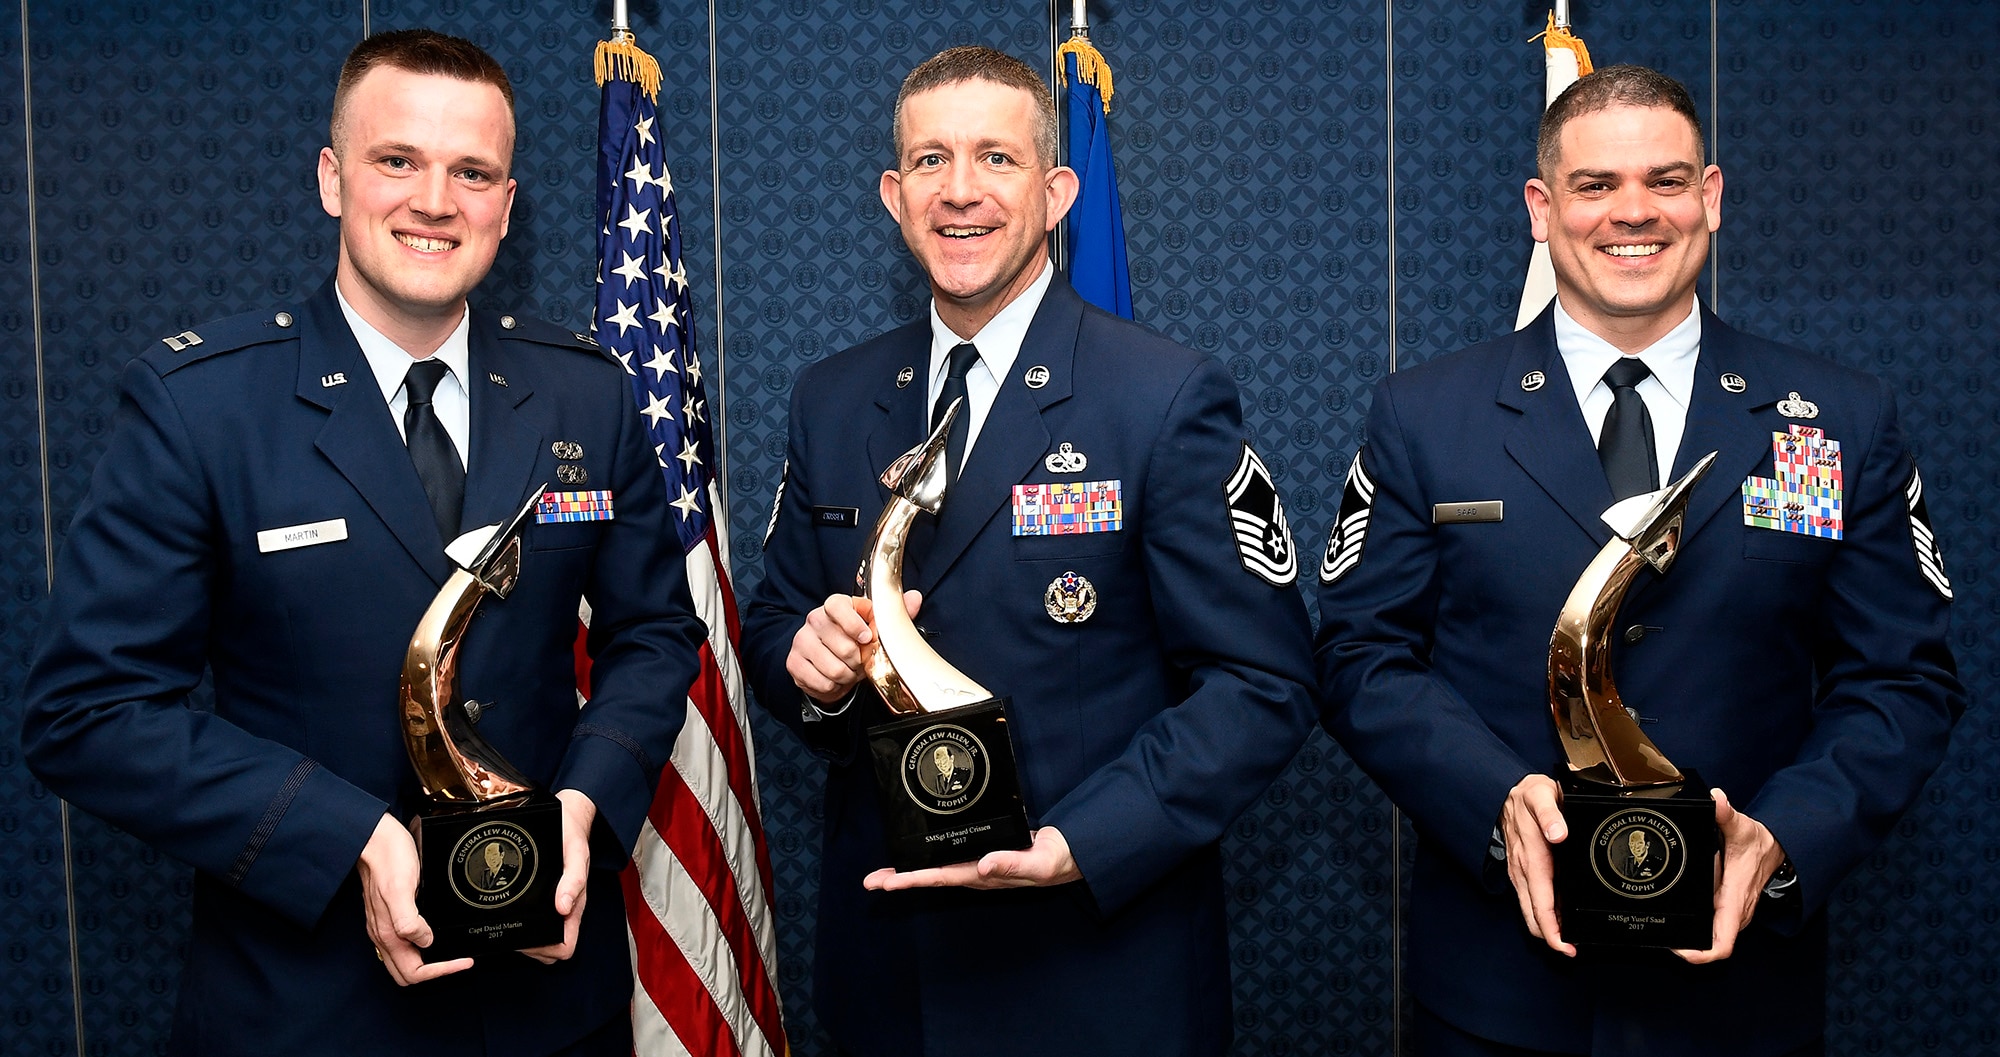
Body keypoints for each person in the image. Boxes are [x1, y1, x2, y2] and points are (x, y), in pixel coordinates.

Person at [20, 29, 705, 1057]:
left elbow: (653, 635)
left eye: (471, 172)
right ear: (334, 179)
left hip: (552, 1011)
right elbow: (89, 712)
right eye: (399, 161)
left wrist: (581, 807)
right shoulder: (203, 407)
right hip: (303, 1009)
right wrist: (348, 837)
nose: (435, 201)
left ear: (506, 206)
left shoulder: (587, 395)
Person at [1314, 64, 1963, 1057]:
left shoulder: (1833, 420)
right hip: (1499, 986)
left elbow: (1901, 681)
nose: (1632, 212)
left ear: (1708, 198)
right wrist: (1494, 801)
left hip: (1740, 989)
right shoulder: (1423, 416)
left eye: (1664, 181)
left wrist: (1783, 835)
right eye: (1593, 185)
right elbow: (1360, 659)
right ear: (1541, 208)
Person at [741, 45, 1318, 1057]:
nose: (958, 191)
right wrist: (813, 667)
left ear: (1055, 192)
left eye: (996, 160)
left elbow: (1261, 685)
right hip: (893, 973)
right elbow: (773, 626)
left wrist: (1077, 845)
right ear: (893, 192)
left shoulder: (1161, 397)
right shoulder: (830, 399)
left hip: (1094, 967)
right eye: (929, 161)